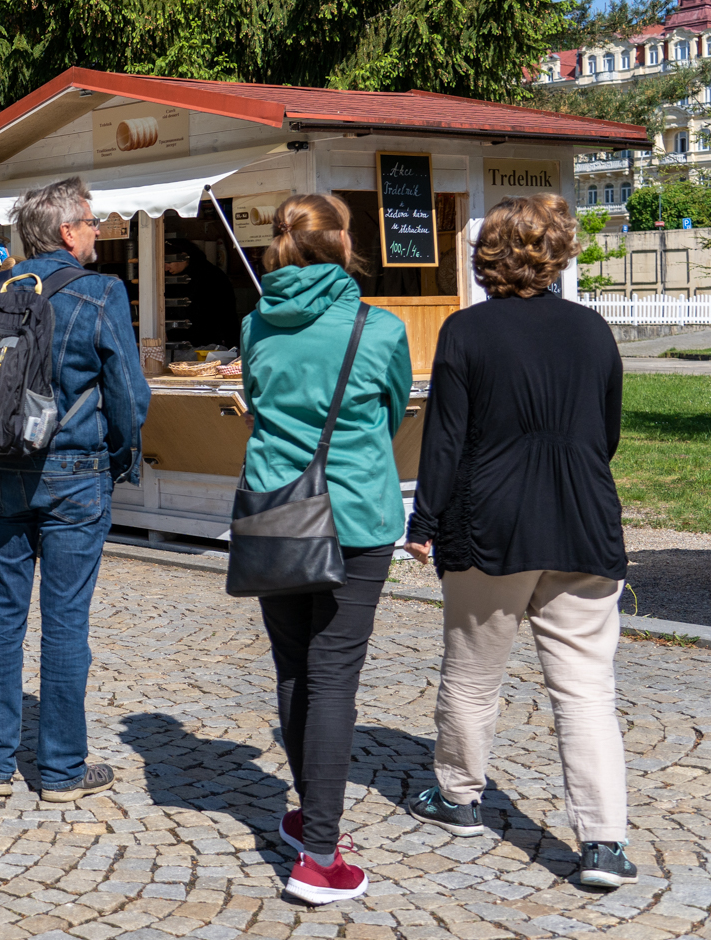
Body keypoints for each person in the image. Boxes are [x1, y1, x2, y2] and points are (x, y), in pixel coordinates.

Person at [405, 194, 637, 890]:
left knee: (474, 677)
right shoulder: (594, 331)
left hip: (490, 523)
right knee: (587, 690)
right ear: (560, 252)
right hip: (583, 520)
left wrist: (424, 523)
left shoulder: (467, 331)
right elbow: (609, 434)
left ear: (487, 256)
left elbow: (444, 440)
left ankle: (458, 796)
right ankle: (603, 844)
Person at [241, 193, 411, 906]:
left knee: (294, 668)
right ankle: (319, 854)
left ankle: (312, 815)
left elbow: (253, 399)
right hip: (355, 515)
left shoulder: (256, 324)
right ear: (342, 243)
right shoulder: (377, 328)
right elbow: (395, 412)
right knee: (333, 676)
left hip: (276, 509)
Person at [0, 177, 151, 804]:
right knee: (66, 622)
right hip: (75, 470)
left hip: (1, 469)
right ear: (69, 230)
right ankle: (61, 772)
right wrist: (123, 459)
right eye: (93, 221)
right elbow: (129, 395)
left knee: (4, 615)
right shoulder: (101, 292)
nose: (98, 230)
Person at [165, 237, 241, 349]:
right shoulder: (180, 277)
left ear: (184, 257)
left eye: (169, 262)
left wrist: (171, 335)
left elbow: (205, 320)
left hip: (213, 345)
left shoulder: (208, 278)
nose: (166, 267)